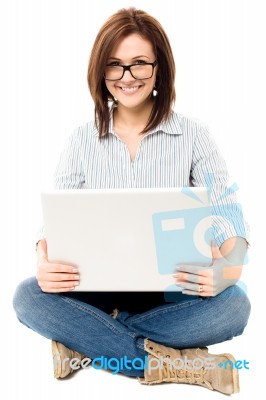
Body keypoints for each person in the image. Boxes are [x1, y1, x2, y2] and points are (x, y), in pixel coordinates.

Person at [13, 7, 251, 395]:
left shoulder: (194, 136)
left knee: (236, 305)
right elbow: (53, 221)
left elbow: (230, 220)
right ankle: (175, 363)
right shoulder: (80, 139)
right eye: (115, 65)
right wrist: (43, 262)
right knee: (27, 296)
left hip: (174, 291)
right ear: (101, 71)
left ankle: (87, 344)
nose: (127, 77)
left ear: (159, 68)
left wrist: (228, 270)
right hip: (93, 288)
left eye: (139, 63)